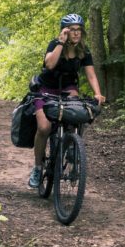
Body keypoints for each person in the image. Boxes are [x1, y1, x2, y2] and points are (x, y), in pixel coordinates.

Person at [28, 13, 106, 188]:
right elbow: (49, 65)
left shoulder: (84, 51)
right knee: (44, 128)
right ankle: (38, 168)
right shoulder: (55, 44)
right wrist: (61, 43)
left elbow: (91, 75)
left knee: (76, 114)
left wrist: (98, 93)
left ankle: (72, 146)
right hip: (45, 89)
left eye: (79, 30)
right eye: (72, 30)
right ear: (65, 31)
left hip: (68, 89)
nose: (76, 33)